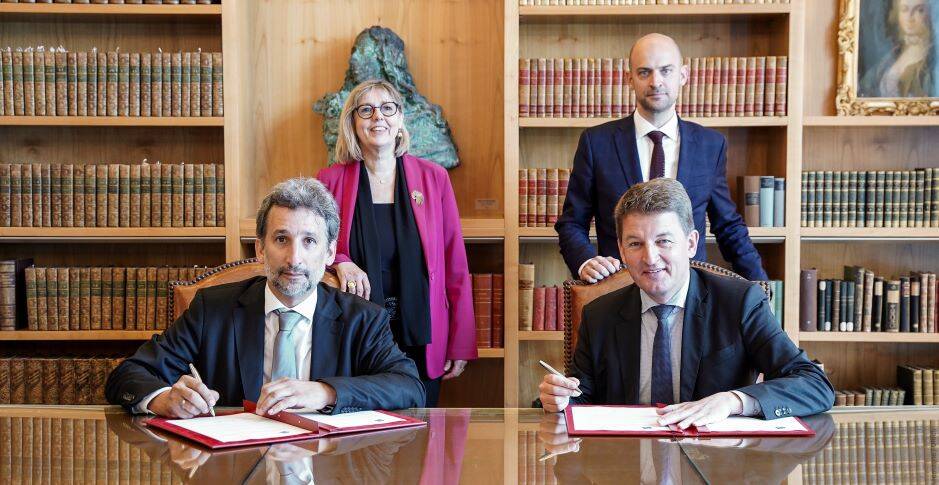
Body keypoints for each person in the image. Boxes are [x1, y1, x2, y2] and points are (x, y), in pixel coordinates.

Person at [105, 177, 425, 418]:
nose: (294, 259)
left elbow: (409, 386)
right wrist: (163, 399)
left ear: (330, 252)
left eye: (309, 241)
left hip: (326, 465)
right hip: (235, 465)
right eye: (281, 239)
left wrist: (325, 392)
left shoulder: (363, 318)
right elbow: (128, 375)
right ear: (260, 248)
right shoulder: (212, 309)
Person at [539, 178, 834, 428]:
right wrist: (559, 399)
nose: (650, 258)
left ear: (691, 243)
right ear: (621, 250)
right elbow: (581, 398)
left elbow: (814, 384)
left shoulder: (740, 303)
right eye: (635, 243)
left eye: (664, 241)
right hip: (626, 462)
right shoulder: (599, 315)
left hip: (716, 463)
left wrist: (733, 401)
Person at [555, 33, 767, 284]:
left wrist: (761, 288)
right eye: (644, 72)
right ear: (630, 79)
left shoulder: (711, 145)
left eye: (666, 71)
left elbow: (728, 227)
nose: (656, 82)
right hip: (618, 288)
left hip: (689, 291)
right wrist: (585, 262)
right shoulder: (596, 143)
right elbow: (571, 223)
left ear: (683, 75)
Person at [318, 79, 477, 407]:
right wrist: (341, 260)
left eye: (387, 108)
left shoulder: (434, 178)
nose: (378, 117)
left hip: (421, 335)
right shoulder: (329, 180)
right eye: (366, 110)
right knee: (362, 430)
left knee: (421, 429)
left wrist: (460, 342)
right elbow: (313, 247)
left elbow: (455, 265)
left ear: (400, 118)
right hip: (356, 335)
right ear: (353, 122)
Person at [859, 0, 935, 98]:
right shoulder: (894, 54)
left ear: (930, 14)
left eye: (919, 10)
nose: (910, 17)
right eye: (904, 10)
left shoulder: (933, 57)